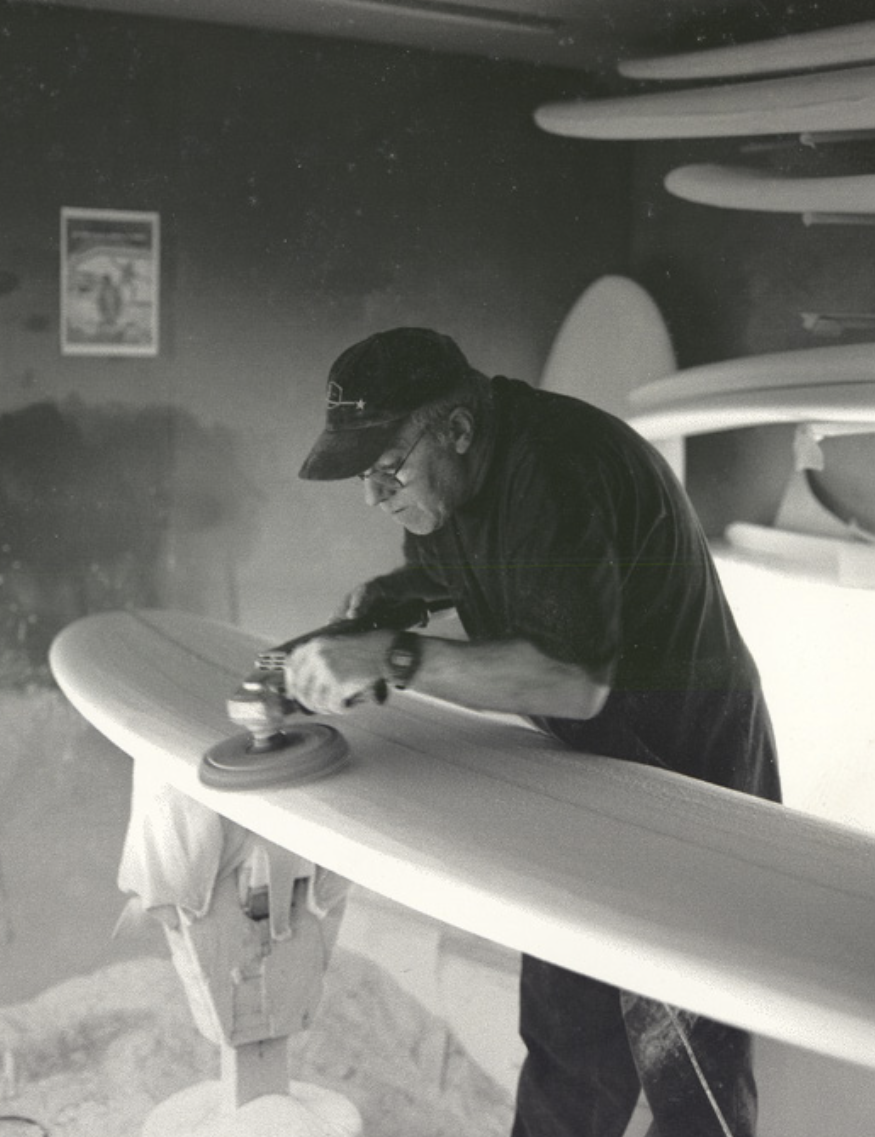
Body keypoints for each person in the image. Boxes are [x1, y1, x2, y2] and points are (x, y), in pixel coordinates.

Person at [285, 326, 781, 1137]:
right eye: (362, 474)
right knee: (567, 1035)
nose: (374, 495)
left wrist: (394, 654)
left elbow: (572, 680)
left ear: (456, 428)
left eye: (386, 467)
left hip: (688, 770)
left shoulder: (555, 466)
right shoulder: (455, 474)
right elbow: (463, 559)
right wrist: (394, 596)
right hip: (592, 769)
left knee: (685, 1060)